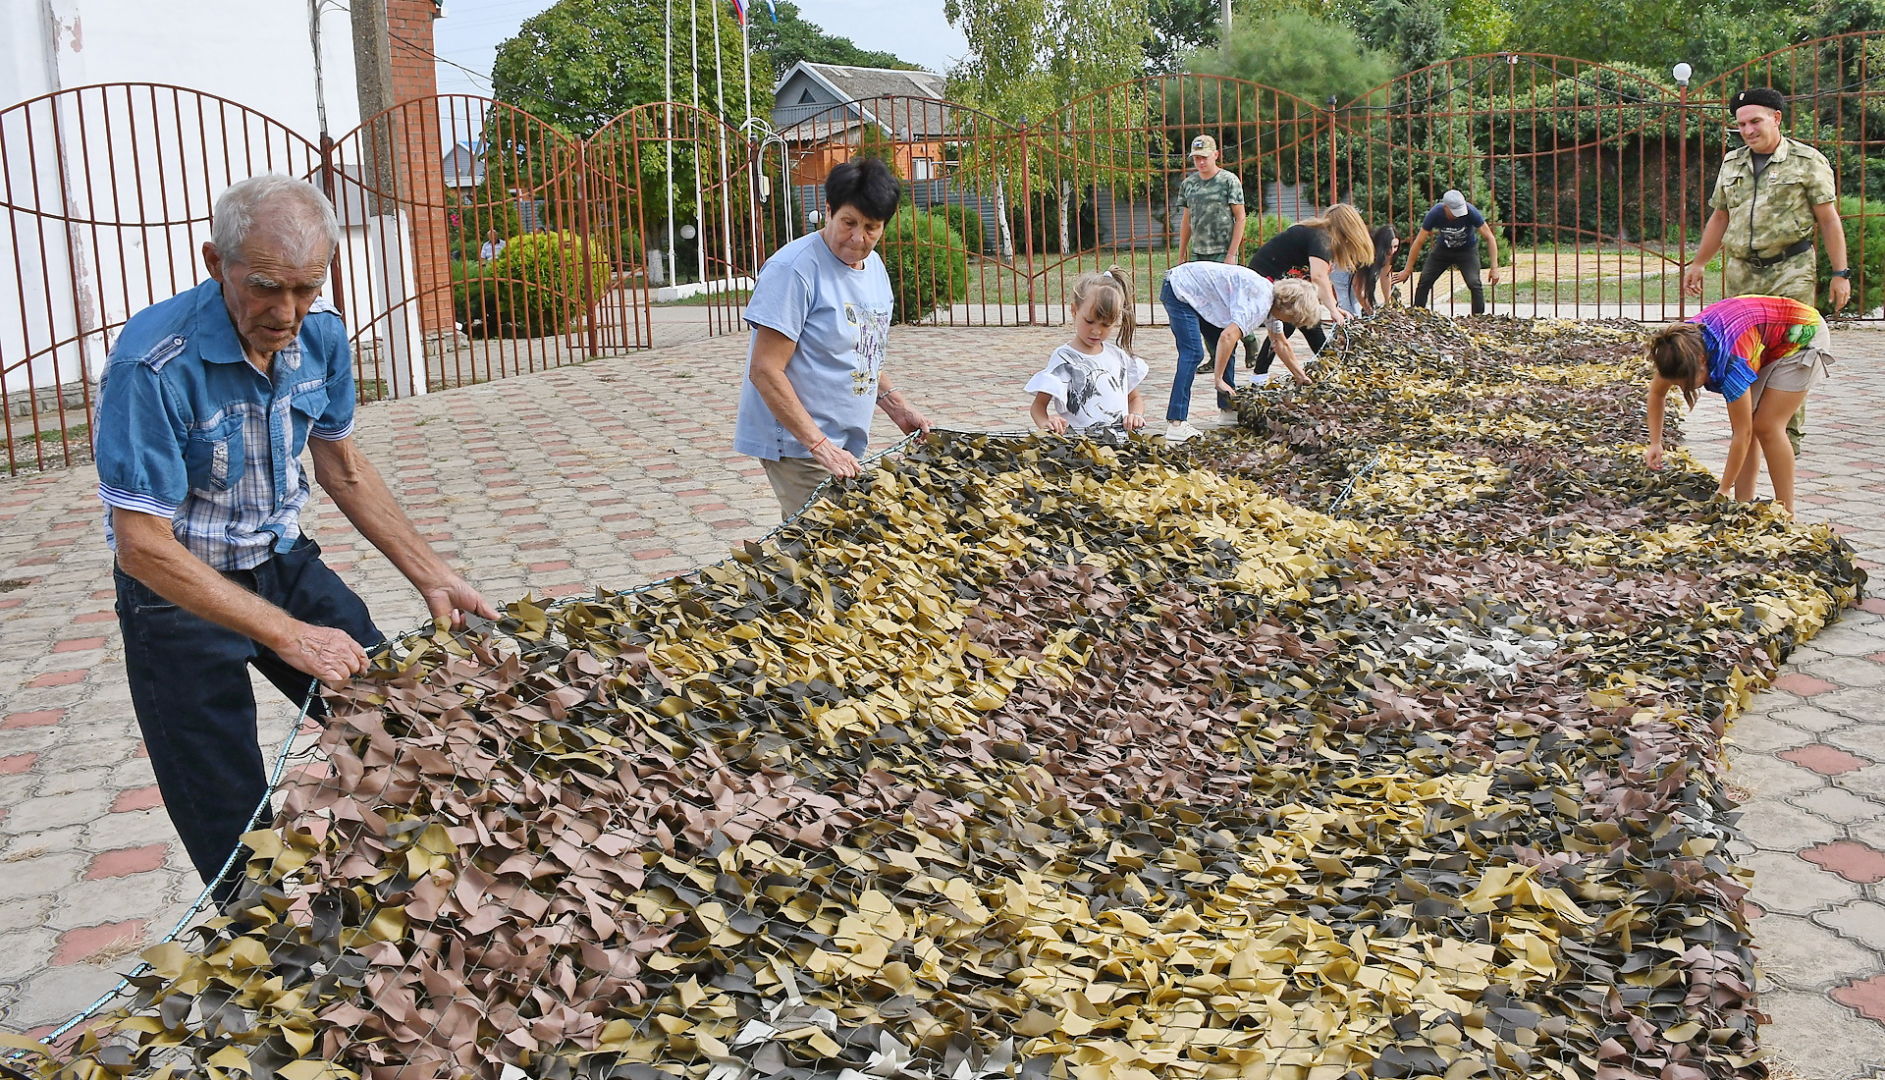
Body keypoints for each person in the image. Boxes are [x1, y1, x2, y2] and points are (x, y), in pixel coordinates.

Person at [92, 174, 495, 901]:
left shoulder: (322, 337)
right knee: (233, 823)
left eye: (308, 289)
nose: (288, 313)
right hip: (175, 594)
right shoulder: (152, 365)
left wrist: (429, 573)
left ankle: (422, 903)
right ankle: (269, 960)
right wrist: (287, 635)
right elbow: (140, 545)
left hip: (282, 562)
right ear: (216, 262)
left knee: (400, 723)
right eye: (268, 288)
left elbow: (340, 466)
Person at [735, 156, 931, 518]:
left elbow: (861, 353)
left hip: (842, 443)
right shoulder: (794, 270)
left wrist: (897, 407)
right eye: (848, 223)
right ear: (827, 211)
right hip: (797, 443)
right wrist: (819, 445)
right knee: (824, 546)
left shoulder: (874, 268)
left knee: (837, 544)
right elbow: (765, 370)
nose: (858, 239)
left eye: (871, 227)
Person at [1681, 87, 1850, 453]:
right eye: (1741, 124)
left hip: (1791, 269)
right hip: (1743, 272)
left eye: (1755, 121)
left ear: (1776, 117)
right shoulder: (1732, 163)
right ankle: (1747, 430)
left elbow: (1828, 219)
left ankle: (1785, 435)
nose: (1748, 130)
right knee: (1743, 351)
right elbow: (1720, 217)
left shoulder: (1808, 161)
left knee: (1791, 350)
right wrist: (1699, 262)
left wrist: (1841, 273)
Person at [1643, 294, 1832, 518]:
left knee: (1766, 426)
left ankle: (1787, 512)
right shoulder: (1677, 352)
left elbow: (1741, 434)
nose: (1682, 387)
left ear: (1703, 361)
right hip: (1762, 335)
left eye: (1686, 383)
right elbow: (1657, 393)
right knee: (1751, 421)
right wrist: (1655, 442)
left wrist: (1724, 488)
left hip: (1802, 334)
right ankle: (1743, 504)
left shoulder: (1731, 361)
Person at [1161, 261, 1321, 442]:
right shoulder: (1260, 303)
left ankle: (1227, 409)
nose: (1292, 322)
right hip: (1180, 288)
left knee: (1228, 348)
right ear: (1288, 307)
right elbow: (1227, 336)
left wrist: (1300, 376)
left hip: (1202, 294)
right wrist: (1218, 379)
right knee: (1193, 353)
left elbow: (1280, 343)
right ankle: (1176, 422)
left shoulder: (1272, 303)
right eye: (1293, 318)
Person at [1246, 203, 1373, 374]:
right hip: (1267, 278)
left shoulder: (1321, 236)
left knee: (1307, 321)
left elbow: (1320, 279)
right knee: (1289, 323)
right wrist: (1334, 309)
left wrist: (1332, 306)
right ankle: (1260, 376)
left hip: (1284, 281)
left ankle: (1331, 369)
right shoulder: (1322, 238)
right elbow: (1318, 277)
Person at [1029, 268, 1149, 435]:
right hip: (1080, 451)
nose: (1096, 331)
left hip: (1120, 449)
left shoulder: (1118, 357)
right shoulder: (1064, 358)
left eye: (1106, 325)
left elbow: (1134, 398)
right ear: (1074, 310)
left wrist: (1135, 415)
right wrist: (1047, 422)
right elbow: (1038, 407)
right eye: (1090, 321)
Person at [1394, 189, 1501, 315]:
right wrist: (1407, 270)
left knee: (1474, 283)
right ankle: (1417, 315)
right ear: (1446, 207)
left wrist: (1494, 268)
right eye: (1455, 212)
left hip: (1467, 251)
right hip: (1443, 250)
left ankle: (1478, 319)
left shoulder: (1470, 211)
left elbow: (1489, 237)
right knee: (1425, 280)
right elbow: (1418, 242)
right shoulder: (1436, 213)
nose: (1458, 215)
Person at [1335, 225, 1400, 316]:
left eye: (1395, 246)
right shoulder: (1367, 252)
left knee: (1355, 311)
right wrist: (1370, 311)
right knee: (1351, 313)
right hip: (1341, 265)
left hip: (1352, 269)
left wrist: (1387, 303)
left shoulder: (1389, 254)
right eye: (1389, 247)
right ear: (1381, 245)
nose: (1392, 251)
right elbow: (1358, 288)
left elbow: (1385, 276)